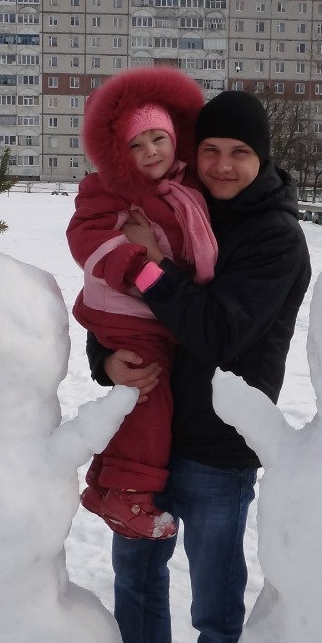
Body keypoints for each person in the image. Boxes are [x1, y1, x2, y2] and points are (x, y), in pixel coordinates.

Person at [86, 90, 311, 643]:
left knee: (215, 604)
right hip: (150, 436)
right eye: (210, 149)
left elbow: (217, 333)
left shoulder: (275, 237)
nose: (222, 166)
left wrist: (151, 267)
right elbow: (117, 302)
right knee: (136, 582)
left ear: (263, 156)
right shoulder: (179, 203)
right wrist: (105, 358)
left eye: (240, 152)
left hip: (217, 447)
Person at [67, 67, 216, 540]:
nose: (150, 151)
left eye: (158, 138)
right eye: (136, 144)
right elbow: (85, 235)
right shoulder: (110, 186)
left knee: (139, 397)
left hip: (156, 311)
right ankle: (127, 495)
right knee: (150, 397)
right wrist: (137, 265)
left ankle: (104, 482)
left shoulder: (187, 187)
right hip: (126, 309)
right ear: (119, 153)